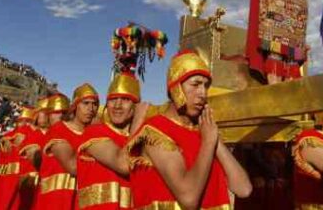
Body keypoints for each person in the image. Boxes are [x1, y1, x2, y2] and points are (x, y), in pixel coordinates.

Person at [127, 50, 252, 209]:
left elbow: (244, 189)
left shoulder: (205, 132)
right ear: (175, 87)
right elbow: (188, 198)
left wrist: (215, 141)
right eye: (195, 84)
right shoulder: (155, 130)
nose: (203, 93)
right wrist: (208, 142)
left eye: (206, 86)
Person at [77, 72, 146, 209]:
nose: (117, 105)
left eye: (125, 99)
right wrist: (139, 122)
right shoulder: (93, 132)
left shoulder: (141, 139)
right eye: (113, 99)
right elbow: (123, 164)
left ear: (135, 105)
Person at [0, 105, 35, 210]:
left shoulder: (32, 136)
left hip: (23, 182)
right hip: (7, 180)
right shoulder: (8, 137)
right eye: (21, 121)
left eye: (28, 121)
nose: (24, 124)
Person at [35, 93, 77, 209]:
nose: (60, 116)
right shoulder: (50, 134)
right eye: (56, 112)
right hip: (51, 196)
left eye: (64, 112)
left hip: (72, 194)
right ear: (48, 115)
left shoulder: (73, 133)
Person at [17, 97, 50, 210]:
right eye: (43, 113)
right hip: (31, 180)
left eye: (48, 113)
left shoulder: (54, 134)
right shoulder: (31, 134)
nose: (46, 116)